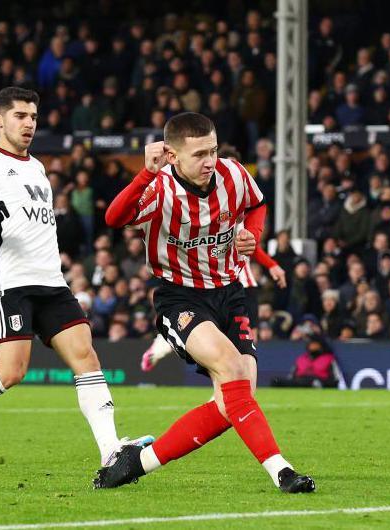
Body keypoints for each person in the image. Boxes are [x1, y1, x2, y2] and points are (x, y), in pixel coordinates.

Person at [0, 87, 151, 467]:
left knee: (86, 358)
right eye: (20, 116)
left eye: (34, 118)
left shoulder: (38, 168)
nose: (28, 124)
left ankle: (110, 451)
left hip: (52, 282)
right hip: (11, 282)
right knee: (11, 371)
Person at [99, 112, 315, 493]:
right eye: (199, 154)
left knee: (235, 399)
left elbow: (257, 203)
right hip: (180, 296)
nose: (210, 161)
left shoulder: (233, 175)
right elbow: (115, 218)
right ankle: (282, 472)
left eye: (212, 151)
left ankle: (139, 463)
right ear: (172, 155)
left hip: (230, 293)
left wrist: (251, 233)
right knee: (232, 369)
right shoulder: (161, 188)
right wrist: (145, 174)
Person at [140, 241, 286, 371]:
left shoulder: (229, 221)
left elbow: (252, 245)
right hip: (231, 286)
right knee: (227, 344)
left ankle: (163, 344)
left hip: (233, 287)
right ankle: (222, 395)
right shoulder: (226, 220)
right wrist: (272, 265)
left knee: (231, 345)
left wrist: (271, 265)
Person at [271, 334, 340, 388]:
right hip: (300, 381)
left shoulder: (329, 359)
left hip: (317, 381)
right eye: (310, 343)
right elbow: (291, 376)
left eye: (314, 343)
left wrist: (322, 383)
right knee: (275, 381)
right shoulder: (301, 359)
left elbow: (336, 380)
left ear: (320, 345)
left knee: (313, 383)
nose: (311, 345)